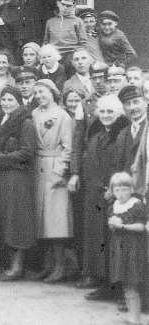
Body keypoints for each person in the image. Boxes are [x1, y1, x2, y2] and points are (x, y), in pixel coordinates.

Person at [75, 94, 128, 298]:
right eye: (102, 111)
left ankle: (120, 288)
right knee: (98, 241)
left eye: (110, 112)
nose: (105, 115)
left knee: (115, 241)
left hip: (114, 194)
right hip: (94, 194)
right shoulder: (97, 133)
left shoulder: (123, 133)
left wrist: (113, 188)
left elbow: (122, 164)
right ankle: (105, 283)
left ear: (118, 113)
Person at [0, 86, 37, 281]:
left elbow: (28, 151)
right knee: (6, 219)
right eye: (4, 100)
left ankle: (17, 267)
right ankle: (12, 264)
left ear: (18, 102)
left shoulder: (25, 122)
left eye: (10, 100)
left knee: (16, 220)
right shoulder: (4, 119)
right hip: (4, 176)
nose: (6, 103)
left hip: (17, 176)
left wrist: (2, 158)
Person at [30, 78, 73, 283]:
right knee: (43, 221)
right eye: (36, 93)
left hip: (54, 169)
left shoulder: (62, 115)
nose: (39, 96)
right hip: (38, 168)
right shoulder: (35, 113)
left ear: (53, 92)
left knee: (57, 221)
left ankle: (60, 267)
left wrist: (59, 172)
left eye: (43, 92)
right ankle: (48, 265)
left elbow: (68, 147)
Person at [106, 171, 147, 324]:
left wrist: (122, 225)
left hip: (133, 249)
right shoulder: (114, 206)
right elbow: (112, 227)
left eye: (124, 189)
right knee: (125, 282)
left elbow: (141, 227)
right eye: (117, 190)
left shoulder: (136, 205)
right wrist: (113, 225)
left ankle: (136, 318)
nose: (121, 193)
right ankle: (132, 315)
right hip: (119, 249)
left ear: (131, 189)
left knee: (132, 283)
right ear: (112, 190)